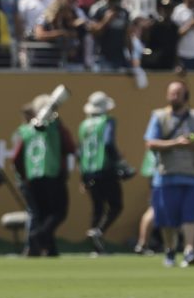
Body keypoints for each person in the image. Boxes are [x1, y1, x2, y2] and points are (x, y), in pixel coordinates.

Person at [144, 81, 194, 268]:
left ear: (186, 96)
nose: (173, 96)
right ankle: (170, 250)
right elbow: (150, 143)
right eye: (171, 93)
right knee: (167, 220)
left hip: (191, 175)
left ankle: (189, 251)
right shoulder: (159, 116)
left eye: (178, 93)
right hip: (166, 176)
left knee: (190, 216)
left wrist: (193, 145)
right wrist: (176, 143)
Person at [11, 96, 75, 257]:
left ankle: (51, 250)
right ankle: (37, 237)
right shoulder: (55, 127)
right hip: (53, 175)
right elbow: (70, 147)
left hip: (33, 178)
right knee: (59, 212)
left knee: (44, 214)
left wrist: (24, 176)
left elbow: (16, 158)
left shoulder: (25, 130)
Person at [78, 92, 124, 253]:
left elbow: (81, 152)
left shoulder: (84, 125)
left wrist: (82, 178)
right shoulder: (107, 121)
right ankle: (99, 232)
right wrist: (119, 162)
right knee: (116, 205)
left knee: (97, 207)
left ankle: (94, 245)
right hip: (105, 169)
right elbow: (108, 143)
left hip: (88, 171)